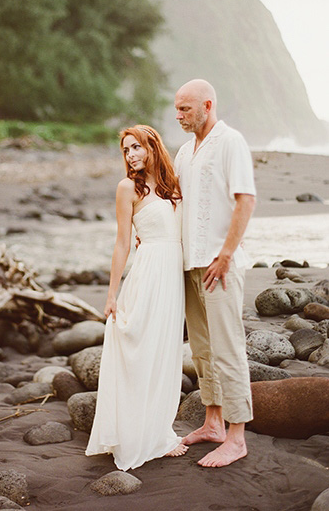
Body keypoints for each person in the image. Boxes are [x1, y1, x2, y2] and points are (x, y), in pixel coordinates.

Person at [86, 124, 188, 471]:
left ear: (151, 147)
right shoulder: (127, 188)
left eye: (136, 148)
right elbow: (122, 243)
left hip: (172, 276)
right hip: (148, 275)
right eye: (126, 150)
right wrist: (112, 293)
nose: (130, 155)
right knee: (142, 349)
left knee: (164, 352)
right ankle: (140, 436)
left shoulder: (172, 185)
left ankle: (159, 429)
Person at [173, 78, 256, 468]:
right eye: (176, 109)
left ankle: (237, 438)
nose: (178, 115)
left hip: (219, 265)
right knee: (203, 351)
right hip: (190, 264)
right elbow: (175, 204)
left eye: (185, 109)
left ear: (207, 105)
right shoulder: (184, 152)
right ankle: (213, 423)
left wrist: (226, 254)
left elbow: (246, 200)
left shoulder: (230, 142)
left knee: (228, 350)